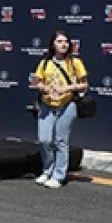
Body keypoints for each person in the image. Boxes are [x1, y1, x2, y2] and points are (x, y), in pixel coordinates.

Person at [29, 31, 88, 189]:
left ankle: (59, 175)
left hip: (67, 105)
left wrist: (67, 88)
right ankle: (47, 170)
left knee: (61, 141)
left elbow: (84, 84)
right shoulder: (45, 63)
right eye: (60, 41)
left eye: (66, 42)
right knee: (45, 139)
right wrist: (45, 88)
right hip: (47, 104)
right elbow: (37, 82)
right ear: (53, 44)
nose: (64, 44)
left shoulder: (75, 62)